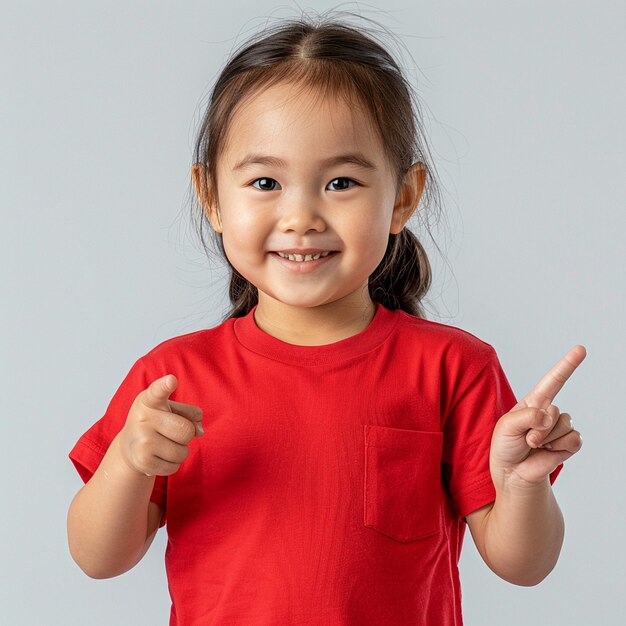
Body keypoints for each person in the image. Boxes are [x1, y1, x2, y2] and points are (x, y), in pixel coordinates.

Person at [66, 12, 585, 626]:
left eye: (340, 182)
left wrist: (522, 485)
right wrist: (128, 462)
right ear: (211, 198)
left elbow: (523, 564)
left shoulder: (454, 368)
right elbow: (98, 558)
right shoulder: (173, 378)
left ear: (403, 197)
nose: (301, 217)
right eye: (265, 182)